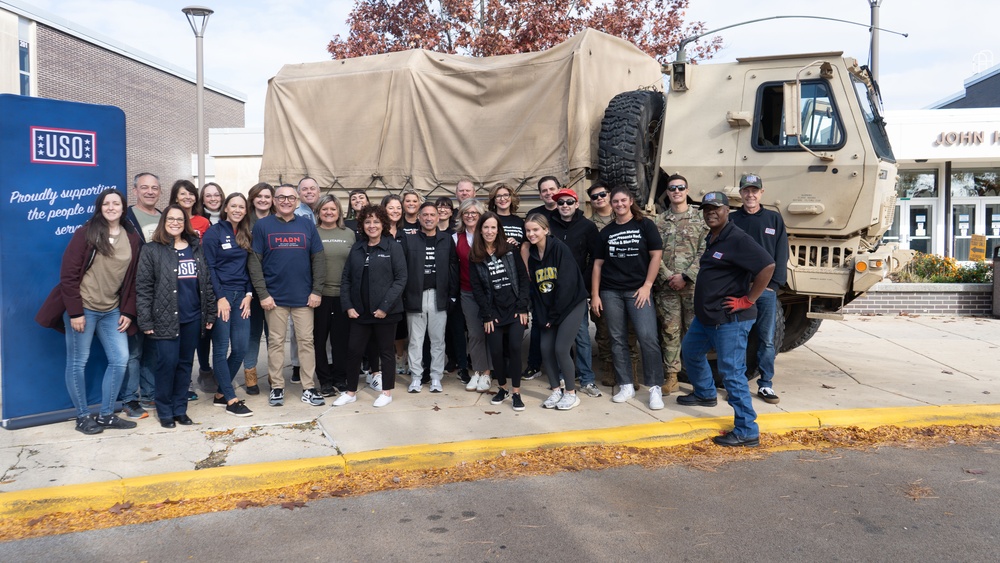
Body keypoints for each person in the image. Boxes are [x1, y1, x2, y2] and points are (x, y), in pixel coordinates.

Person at [37, 188, 141, 434]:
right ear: (100, 207)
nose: (112, 207)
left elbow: (134, 279)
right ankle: (83, 416)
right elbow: (69, 275)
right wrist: (75, 312)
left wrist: (128, 311)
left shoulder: (132, 237)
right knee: (77, 362)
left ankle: (106, 415)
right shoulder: (87, 233)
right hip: (84, 308)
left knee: (120, 359)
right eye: (107, 203)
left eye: (116, 203)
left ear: (123, 207)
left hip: (112, 310)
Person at [678, 191, 775, 448]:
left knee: (732, 373)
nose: (711, 212)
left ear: (727, 211)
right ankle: (706, 393)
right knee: (690, 352)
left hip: (730, 319)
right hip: (707, 317)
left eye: (716, 208)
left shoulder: (737, 238)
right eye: (706, 208)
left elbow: (767, 266)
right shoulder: (714, 237)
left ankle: (746, 430)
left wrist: (749, 299)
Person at [136, 205, 217, 428]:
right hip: (164, 318)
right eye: (170, 219)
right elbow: (143, 287)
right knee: (166, 364)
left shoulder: (195, 248)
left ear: (185, 223)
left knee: (184, 365)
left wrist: (209, 312)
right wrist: (145, 319)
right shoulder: (152, 250)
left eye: (179, 219)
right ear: (164, 222)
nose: (175, 223)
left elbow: (206, 283)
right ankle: (164, 411)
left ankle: (180, 410)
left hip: (192, 317)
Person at [248, 184, 327, 408]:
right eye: (281, 197)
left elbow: (318, 259)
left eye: (290, 198)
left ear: (297, 201)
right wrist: (263, 294)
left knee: (306, 343)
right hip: (274, 299)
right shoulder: (263, 226)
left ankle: (309, 387)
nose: (285, 201)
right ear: (274, 200)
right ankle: (276, 387)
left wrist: (316, 290)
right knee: (275, 343)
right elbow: (254, 262)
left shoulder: (306, 224)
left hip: (304, 298)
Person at [591, 185, 666, 411]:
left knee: (647, 337)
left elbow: (656, 256)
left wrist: (647, 286)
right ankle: (625, 385)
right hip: (611, 291)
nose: (619, 204)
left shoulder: (645, 225)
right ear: (611, 204)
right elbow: (597, 265)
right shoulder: (606, 231)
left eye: (623, 200)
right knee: (617, 339)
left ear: (631, 201)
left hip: (638, 291)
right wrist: (595, 294)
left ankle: (654, 388)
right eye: (615, 201)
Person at [334, 204, 408, 408]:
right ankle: (350, 392)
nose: (372, 225)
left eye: (376, 221)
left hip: (386, 312)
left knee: (386, 352)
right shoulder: (358, 248)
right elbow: (346, 278)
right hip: (360, 311)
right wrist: (348, 305)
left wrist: (385, 306)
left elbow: (401, 279)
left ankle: (386, 392)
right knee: (354, 351)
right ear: (362, 224)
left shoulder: (393, 246)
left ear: (383, 223)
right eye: (368, 222)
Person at [731, 173, 788, 405]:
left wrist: (774, 285)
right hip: (739, 290)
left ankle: (765, 384)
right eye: (746, 190)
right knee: (737, 337)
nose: (750, 194)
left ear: (761, 193)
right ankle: (737, 383)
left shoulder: (774, 219)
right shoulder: (732, 219)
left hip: (766, 291)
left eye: (754, 190)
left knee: (766, 339)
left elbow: (781, 253)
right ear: (741, 193)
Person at [525, 214, 589, 410]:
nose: (531, 234)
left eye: (535, 229)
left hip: (571, 305)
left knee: (561, 348)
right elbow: (536, 289)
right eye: (528, 230)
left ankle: (571, 393)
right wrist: (542, 316)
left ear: (546, 230)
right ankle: (555, 390)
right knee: (545, 349)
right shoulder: (534, 256)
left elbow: (566, 285)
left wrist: (551, 317)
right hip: (549, 309)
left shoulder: (560, 249)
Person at [652, 174, 707, 395]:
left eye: (680, 187)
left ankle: (698, 377)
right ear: (667, 192)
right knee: (669, 331)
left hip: (693, 286)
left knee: (694, 332)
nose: (676, 191)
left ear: (687, 189)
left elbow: (706, 251)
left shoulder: (700, 219)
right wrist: (667, 276)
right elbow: (654, 254)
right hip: (667, 288)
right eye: (672, 188)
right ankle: (672, 376)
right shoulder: (659, 221)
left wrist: (686, 276)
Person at [470, 212, 530, 411]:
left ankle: (516, 392)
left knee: (514, 348)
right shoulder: (476, 256)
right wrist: (487, 315)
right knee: (495, 351)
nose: (489, 231)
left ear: (499, 230)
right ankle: (502, 388)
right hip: (493, 313)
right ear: (480, 230)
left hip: (514, 311)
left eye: (493, 227)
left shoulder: (510, 250)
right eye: (486, 227)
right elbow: (477, 289)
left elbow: (523, 279)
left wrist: (522, 307)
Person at [202, 193, 255, 417]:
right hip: (221, 297)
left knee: (241, 347)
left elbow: (250, 266)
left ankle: (220, 392)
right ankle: (231, 399)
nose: (237, 209)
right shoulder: (214, 232)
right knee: (221, 348)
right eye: (233, 205)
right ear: (225, 208)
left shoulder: (246, 233)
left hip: (241, 297)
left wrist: (249, 294)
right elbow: (209, 267)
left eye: (241, 207)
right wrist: (219, 296)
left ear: (245, 210)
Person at [548, 188, 601, 397]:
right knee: (560, 338)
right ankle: (562, 376)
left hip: (577, 293)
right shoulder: (549, 225)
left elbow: (595, 259)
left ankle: (587, 380)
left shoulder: (588, 227)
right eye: (560, 203)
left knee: (581, 337)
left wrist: (584, 285)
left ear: (577, 204)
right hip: (554, 291)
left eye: (569, 202)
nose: (565, 206)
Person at [401, 202, 458, 393]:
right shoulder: (409, 240)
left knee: (437, 340)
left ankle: (436, 377)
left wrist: (452, 295)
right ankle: (416, 377)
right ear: (419, 217)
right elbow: (402, 270)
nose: (428, 218)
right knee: (416, 340)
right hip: (415, 296)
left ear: (438, 217)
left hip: (438, 296)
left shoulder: (446, 239)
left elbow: (453, 268)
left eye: (432, 215)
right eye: (424, 215)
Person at [120, 172, 162, 416]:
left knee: (153, 349)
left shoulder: (165, 217)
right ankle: (129, 399)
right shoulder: (125, 218)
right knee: (133, 350)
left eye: (154, 188)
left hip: (161, 294)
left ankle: (150, 394)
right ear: (135, 190)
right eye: (144, 187)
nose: (150, 191)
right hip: (134, 292)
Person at [314, 194, 356, 396]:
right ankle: (324, 380)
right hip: (319, 296)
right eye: (325, 209)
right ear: (318, 212)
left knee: (341, 340)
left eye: (333, 209)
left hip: (344, 296)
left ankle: (341, 377)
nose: (329, 212)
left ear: (339, 212)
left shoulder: (349, 233)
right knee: (319, 340)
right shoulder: (312, 233)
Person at [521, 175, 561, 381]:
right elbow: (526, 245)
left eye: (552, 189)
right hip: (540, 277)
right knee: (538, 322)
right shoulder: (533, 214)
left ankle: (563, 366)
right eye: (544, 190)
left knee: (562, 324)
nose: (548, 193)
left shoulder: (565, 210)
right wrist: (528, 272)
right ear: (540, 194)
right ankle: (534, 364)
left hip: (560, 279)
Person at [584, 180, 623, 387]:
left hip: (627, 282)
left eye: (602, 194)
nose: (599, 199)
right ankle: (608, 367)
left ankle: (629, 369)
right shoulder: (589, 225)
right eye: (594, 197)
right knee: (604, 329)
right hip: (602, 283)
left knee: (629, 330)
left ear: (609, 195)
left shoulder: (624, 216)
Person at [454, 198, 493, 392]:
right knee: (475, 332)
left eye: (474, 213)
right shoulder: (456, 238)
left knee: (491, 331)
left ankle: (488, 373)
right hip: (467, 291)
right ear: (461, 215)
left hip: (490, 292)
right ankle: (479, 371)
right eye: (466, 213)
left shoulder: (489, 235)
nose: (470, 216)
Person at [288, 177, 323, 382]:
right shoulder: (294, 214)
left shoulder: (326, 209)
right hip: (300, 276)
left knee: (322, 324)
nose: (309, 192)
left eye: (312, 188)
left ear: (318, 191)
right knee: (296, 326)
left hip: (320, 274)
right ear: (299, 193)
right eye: (304, 189)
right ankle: (296, 364)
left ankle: (323, 362)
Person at [242, 182, 275, 395]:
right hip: (248, 286)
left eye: (267, 196)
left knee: (275, 335)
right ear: (252, 198)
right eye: (259, 196)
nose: (263, 199)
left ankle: (275, 376)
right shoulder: (244, 221)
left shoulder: (278, 220)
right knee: (252, 334)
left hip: (275, 285)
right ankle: (250, 376)